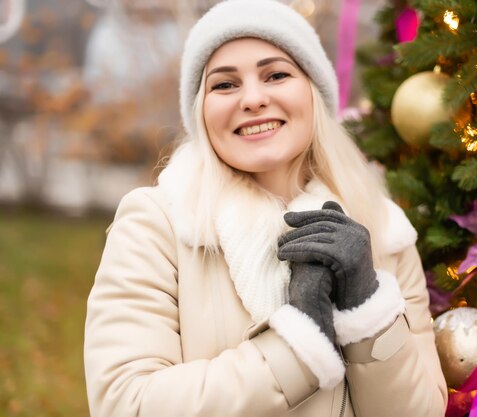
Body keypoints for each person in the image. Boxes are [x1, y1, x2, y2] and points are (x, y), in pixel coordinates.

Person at [83, 0, 447, 416]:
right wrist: (296, 346)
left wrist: (367, 308)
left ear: (313, 93)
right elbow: (125, 404)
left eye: (276, 75)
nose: (253, 99)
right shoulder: (158, 225)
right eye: (224, 84)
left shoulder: (383, 231)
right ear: (201, 111)